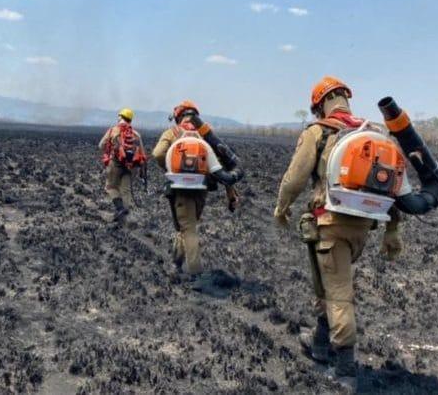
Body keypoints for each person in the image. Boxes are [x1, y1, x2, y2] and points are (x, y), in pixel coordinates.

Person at [273, 76, 403, 391]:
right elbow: (395, 184)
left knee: (339, 293)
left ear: (319, 104)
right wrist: (392, 230)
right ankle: (319, 343)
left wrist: (281, 208)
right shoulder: (373, 133)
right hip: (363, 225)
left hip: (330, 223)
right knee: (330, 285)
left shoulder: (318, 131)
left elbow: (294, 179)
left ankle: (345, 369)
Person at [152, 100, 244, 278]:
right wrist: (231, 194)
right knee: (188, 225)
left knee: (188, 229)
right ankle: (176, 262)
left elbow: (157, 153)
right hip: (201, 187)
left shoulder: (173, 133)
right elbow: (223, 166)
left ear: (178, 116)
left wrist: (171, 168)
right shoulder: (206, 137)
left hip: (179, 187)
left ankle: (195, 273)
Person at [99, 108, 147, 222]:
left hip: (115, 163)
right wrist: (142, 170)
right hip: (131, 166)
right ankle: (125, 217)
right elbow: (142, 153)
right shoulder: (136, 134)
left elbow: (101, 145)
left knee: (110, 187)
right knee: (125, 190)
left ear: (120, 117)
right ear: (130, 120)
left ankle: (120, 208)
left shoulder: (112, 130)